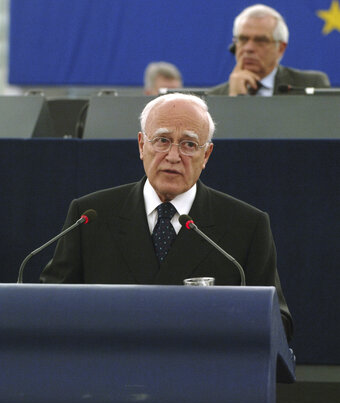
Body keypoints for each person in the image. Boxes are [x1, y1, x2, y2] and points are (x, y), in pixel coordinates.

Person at [40, 92, 293, 341]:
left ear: (206, 155)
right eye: (162, 140)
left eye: (189, 144)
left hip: (202, 376)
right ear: (142, 145)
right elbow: (47, 305)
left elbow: (277, 322)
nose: (173, 156)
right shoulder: (90, 216)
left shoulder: (246, 225)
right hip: (108, 372)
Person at [209, 4, 330, 96]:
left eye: (260, 41)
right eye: (243, 39)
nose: (248, 48)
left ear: (280, 49)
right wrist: (233, 101)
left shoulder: (310, 84)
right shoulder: (215, 97)